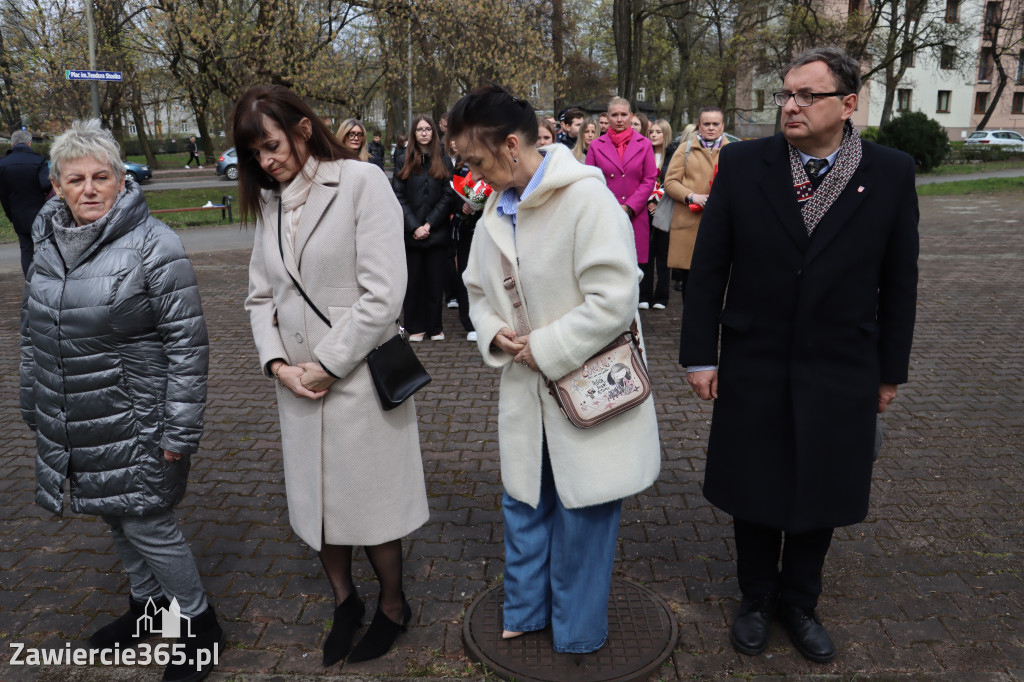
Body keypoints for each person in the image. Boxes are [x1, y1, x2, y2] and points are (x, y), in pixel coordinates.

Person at [679, 47, 919, 664]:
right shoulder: (744, 163)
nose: (791, 105)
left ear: (848, 104)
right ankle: (757, 597)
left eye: (808, 95)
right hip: (756, 355)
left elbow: (899, 281)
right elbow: (709, 268)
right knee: (755, 478)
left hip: (842, 360)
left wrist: (890, 371)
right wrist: (700, 355)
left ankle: (801, 601)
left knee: (823, 480)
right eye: (787, 94)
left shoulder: (890, 172)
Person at [450, 84, 660, 655]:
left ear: (511, 145)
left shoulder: (587, 200)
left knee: (585, 512)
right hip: (529, 388)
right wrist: (492, 330)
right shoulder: (496, 206)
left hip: (590, 385)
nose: (472, 173)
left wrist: (542, 348)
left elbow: (615, 299)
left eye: (476, 159)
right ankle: (526, 611)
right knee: (523, 501)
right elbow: (475, 288)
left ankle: (578, 632)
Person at [19, 119, 221, 682]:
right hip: (76, 416)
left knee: (149, 523)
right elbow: (33, 331)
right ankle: (148, 608)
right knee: (114, 515)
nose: (89, 189)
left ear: (120, 180)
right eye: (75, 179)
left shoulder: (155, 245)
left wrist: (180, 430)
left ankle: (199, 625)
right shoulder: (47, 242)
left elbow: (188, 346)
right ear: (57, 186)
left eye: (100, 177)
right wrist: (33, 402)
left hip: (138, 419)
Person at [236, 85, 429, 666]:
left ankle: (393, 605)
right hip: (297, 383)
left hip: (357, 376)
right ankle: (346, 602)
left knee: (372, 503)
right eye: (255, 154)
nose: (266, 161)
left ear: (302, 128)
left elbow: (383, 294)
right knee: (318, 504)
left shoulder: (361, 182)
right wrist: (278, 366)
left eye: (272, 145)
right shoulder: (269, 203)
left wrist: (328, 365)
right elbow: (259, 297)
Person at [392, 114, 457, 341]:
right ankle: (415, 327)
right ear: (414, 133)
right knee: (414, 283)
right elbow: (398, 196)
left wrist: (429, 224)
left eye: (428, 129)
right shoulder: (403, 159)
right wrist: (414, 226)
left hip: (436, 231)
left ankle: (434, 327)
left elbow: (448, 195)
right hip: (411, 233)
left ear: (433, 132)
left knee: (435, 282)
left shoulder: (444, 160)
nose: (424, 133)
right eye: (420, 129)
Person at [585, 97, 657, 300]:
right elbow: (590, 180)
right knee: (608, 269)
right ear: (608, 117)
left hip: (635, 216)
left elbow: (649, 179)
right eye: (614, 115)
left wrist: (630, 206)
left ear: (631, 116)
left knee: (632, 270)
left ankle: (631, 314)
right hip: (606, 217)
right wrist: (609, 207)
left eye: (623, 114)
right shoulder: (596, 146)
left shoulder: (644, 144)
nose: (619, 119)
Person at [663, 107, 730, 300]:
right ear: (699, 125)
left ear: (722, 125)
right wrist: (691, 196)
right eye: (706, 124)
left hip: (720, 225)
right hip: (689, 223)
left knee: (716, 282)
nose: (711, 128)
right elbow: (670, 182)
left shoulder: (733, 150)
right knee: (690, 283)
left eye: (715, 124)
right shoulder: (685, 149)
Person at [0, 130, 51, 276]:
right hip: (39, 213)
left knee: (26, 249)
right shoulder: (38, 160)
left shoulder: (2, 164)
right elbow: (45, 185)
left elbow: (2, 194)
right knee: (44, 247)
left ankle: (29, 280)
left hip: (18, 213)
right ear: (29, 143)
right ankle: (45, 278)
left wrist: (10, 215)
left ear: (12, 144)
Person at [640, 119, 672, 309]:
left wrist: (659, 201)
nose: (653, 135)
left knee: (663, 253)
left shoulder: (673, 155)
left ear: (665, 134)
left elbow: (674, 180)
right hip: (644, 209)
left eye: (658, 132)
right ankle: (644, 294)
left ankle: (661, 296)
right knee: (646, 252)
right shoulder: (644, 153)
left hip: (665, 208)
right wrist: (648, 201)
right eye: (651, 131)